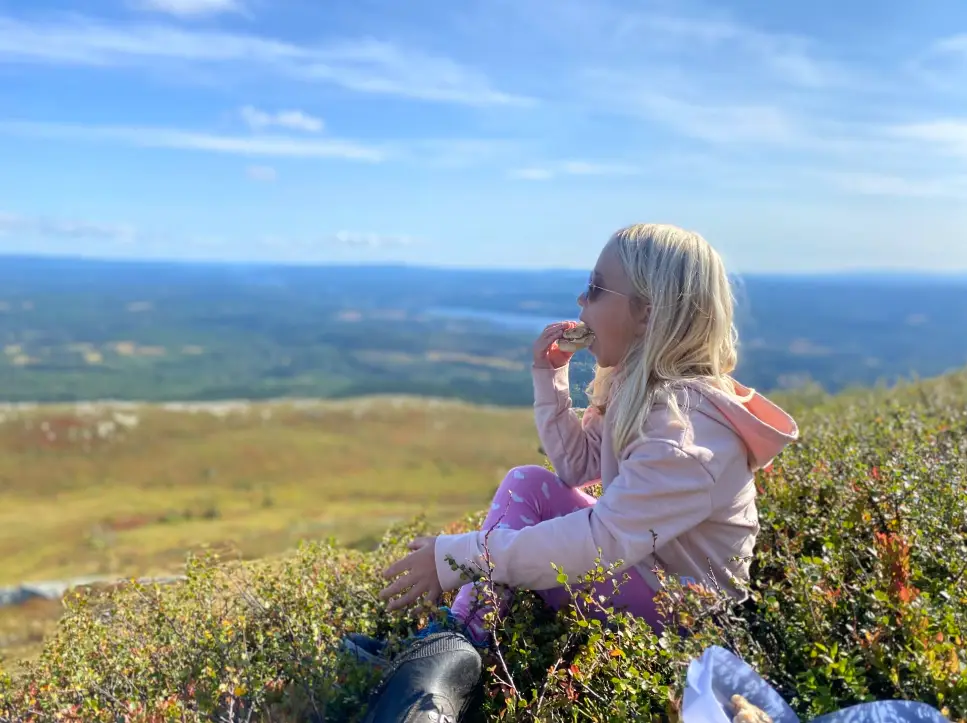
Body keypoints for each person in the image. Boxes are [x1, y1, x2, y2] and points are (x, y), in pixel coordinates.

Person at [354, 223, 799, 665]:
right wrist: (551, 379)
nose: (581, 301)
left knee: (535, 532)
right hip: (647, 574)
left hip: (682, 618)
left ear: (646, 313)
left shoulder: (683, 435)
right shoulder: (643, 390)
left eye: (596, 288)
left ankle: (452, 651)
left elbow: (597, 545)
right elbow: (576, 464)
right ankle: (460, 640)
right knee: (527, 482)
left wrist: (460, 555)